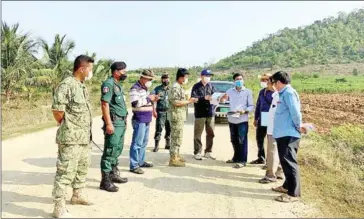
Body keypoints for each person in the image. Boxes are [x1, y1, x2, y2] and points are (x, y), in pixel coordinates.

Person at [51, 55, 94, 218]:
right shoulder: (67, 85)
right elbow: (57, 111)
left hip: (84, 138)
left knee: (81, 168)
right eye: (90, 68)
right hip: (70, 138)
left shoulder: (81, 86)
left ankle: (77, 195)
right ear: (82, 69)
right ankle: (58, 207)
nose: (91, 72)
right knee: (65, 172)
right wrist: (68, 126)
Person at [270, 71, 307, 203]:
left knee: (289, 162)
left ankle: (293, 194)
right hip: (283, 133)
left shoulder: (289, 93)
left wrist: (299, 126)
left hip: (289, 134)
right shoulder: (283, 94)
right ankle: (286, 186)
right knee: (285, 162)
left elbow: (295, 112)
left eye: (274, 83)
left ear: (279, 82)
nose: (274, 85)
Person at [99, 62, 129, 193]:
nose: (125, 74)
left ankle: (113, 174)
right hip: (114, 123)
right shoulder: (109, 84)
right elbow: (104, 104)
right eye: (123, 71)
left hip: (121, 123)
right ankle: (105, 181)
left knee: (117, 149)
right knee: (110, 150)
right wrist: (109, 123)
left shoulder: (118, 86)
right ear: (116, 71)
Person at [221, 73, 254, 168]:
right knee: (233, 139)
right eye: (237, 79)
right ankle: (235, 157)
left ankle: (242, 160)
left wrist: (245, 111)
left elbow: (251, 106)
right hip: (232, 119)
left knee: (242, 140)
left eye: (240, 79)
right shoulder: (230, 91)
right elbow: (223, 101)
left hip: (242, 119)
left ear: (243, 80)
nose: (239, 81)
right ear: (234, 81)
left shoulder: (248, 92)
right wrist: (222, 99)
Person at [129, 69, 159, 174]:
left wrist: (153, 100)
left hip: (147, 118)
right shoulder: (135, 88)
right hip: (140, 118)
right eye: (149, 79)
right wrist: (149, 98)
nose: (150, 81)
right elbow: (135, 103)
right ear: (142, 78)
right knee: (137, 142)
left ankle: (141, 161)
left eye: (151, 79)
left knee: (144, 142)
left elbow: (148, 101)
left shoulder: (145, 88)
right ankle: (134, 165)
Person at [168, 68, 198, 167]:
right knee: (176, 137)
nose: (187, 79)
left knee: (178, 137)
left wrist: (189, 100)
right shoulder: (175, 87)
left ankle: (176, 155)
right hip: (176, 116)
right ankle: (173, 159)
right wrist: (189, 101)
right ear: (181, 77)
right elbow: (176, 102)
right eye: (186, 77)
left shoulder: (180, 86)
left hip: (180, 116)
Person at [258, 78, 284, 184]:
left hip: (277, 128)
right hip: (272, 126)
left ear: (275, 84)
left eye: (268, 82)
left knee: (272, 151)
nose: (266, 84)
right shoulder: (274, 95)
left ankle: (271, 175)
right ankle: (278, 172)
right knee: (276, 151)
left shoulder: (281, 95)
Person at [191, 69, 217, 160]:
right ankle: (197, 152)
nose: (208, 77)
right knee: (198, 133)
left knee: (211, 133)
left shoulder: (211, 86)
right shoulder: (196, 86)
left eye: (209, 76)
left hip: (210, 113)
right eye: (207, 76)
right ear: (202, 76)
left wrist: (220, 99)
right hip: (200, 114)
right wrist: (204, 98)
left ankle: (208, 152)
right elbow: (193, 98)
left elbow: (215, 98)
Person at [251, 73, 274, 165]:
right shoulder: (262, 92)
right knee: (259, 138)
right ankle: (261, 157)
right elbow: (258, 105)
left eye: (265, 80)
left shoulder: (275, 92)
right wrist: (256, 118)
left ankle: (270, 162)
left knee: (270, 140)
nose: (263, 82)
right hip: (262, 117)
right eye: (262, 80)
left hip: (271, 118)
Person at [151, 73, 171, 152]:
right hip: (160, 112)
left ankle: (167, 144)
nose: (166, 80)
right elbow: (152, 100)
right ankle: (156, 145)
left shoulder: (171, 89)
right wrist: (154, 110)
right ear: (162, 79)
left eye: (167, 78)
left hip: (169, 112)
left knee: (169, 129)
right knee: (159, 128)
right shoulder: (157, 89)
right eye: (164, 78)